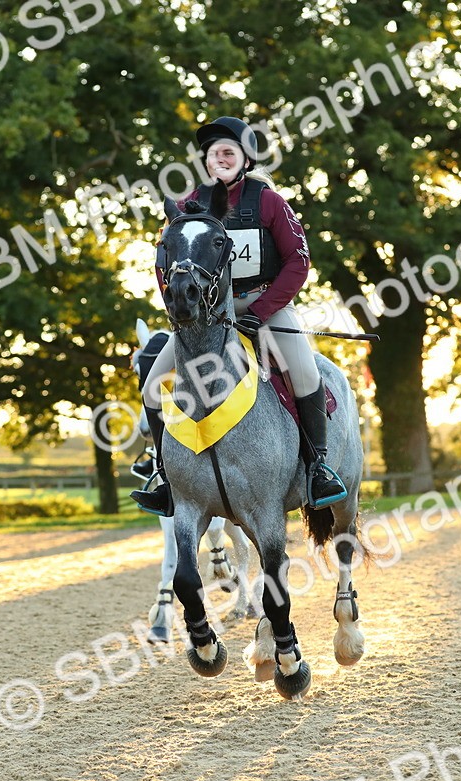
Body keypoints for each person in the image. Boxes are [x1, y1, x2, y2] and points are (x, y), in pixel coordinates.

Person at [130, 116, 347, 517]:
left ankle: (318, 468)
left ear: (246, 159)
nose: (220, 160)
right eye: (214, 154)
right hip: (206, 317)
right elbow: (165, 266)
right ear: (207, 162)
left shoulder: (269, 203)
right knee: (150, 388)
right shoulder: (186, 208)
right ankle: (164, 476)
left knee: (304, 374)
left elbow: (298, 263)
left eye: (229, 152)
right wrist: (182, 309)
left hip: (268, 305)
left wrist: (262, 311)